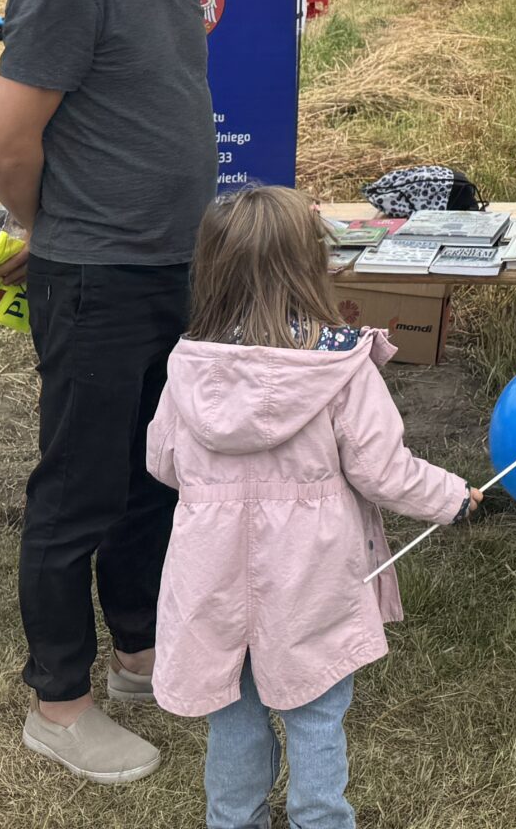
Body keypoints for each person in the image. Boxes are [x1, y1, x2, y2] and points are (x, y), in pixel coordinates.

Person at [0, 0, 252, 782]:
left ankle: (140, 653)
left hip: (170, 268)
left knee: (153, 478)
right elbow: (5, 144)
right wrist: (54, 229)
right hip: (95, 277)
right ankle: (58, 705)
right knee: (77, 494)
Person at [149, 186, 480, 829]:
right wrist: (451, 497)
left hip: (210, 574)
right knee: (317, 713)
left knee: (234, 714)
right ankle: (320, 819)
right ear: (310, 265)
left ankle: (233, 819)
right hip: (312, 575)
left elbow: (162, 460)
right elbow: (384, 471)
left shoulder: (190, 365)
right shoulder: (341, 367)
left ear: (211, 268)